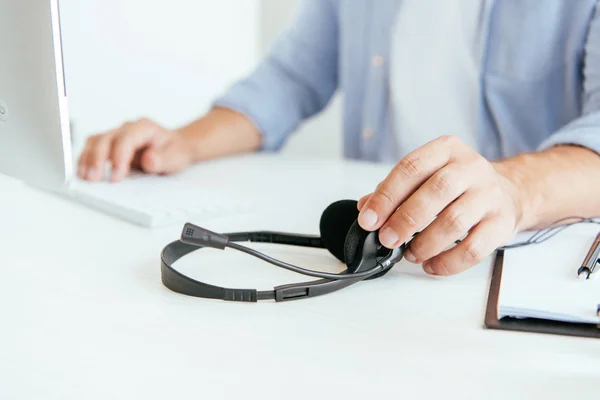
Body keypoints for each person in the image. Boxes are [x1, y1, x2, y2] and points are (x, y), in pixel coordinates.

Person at [77, 1, 600, 276]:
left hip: (517, 255)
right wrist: (183, 142)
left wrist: (511, 189)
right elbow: (290, 79)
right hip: (375, 247)